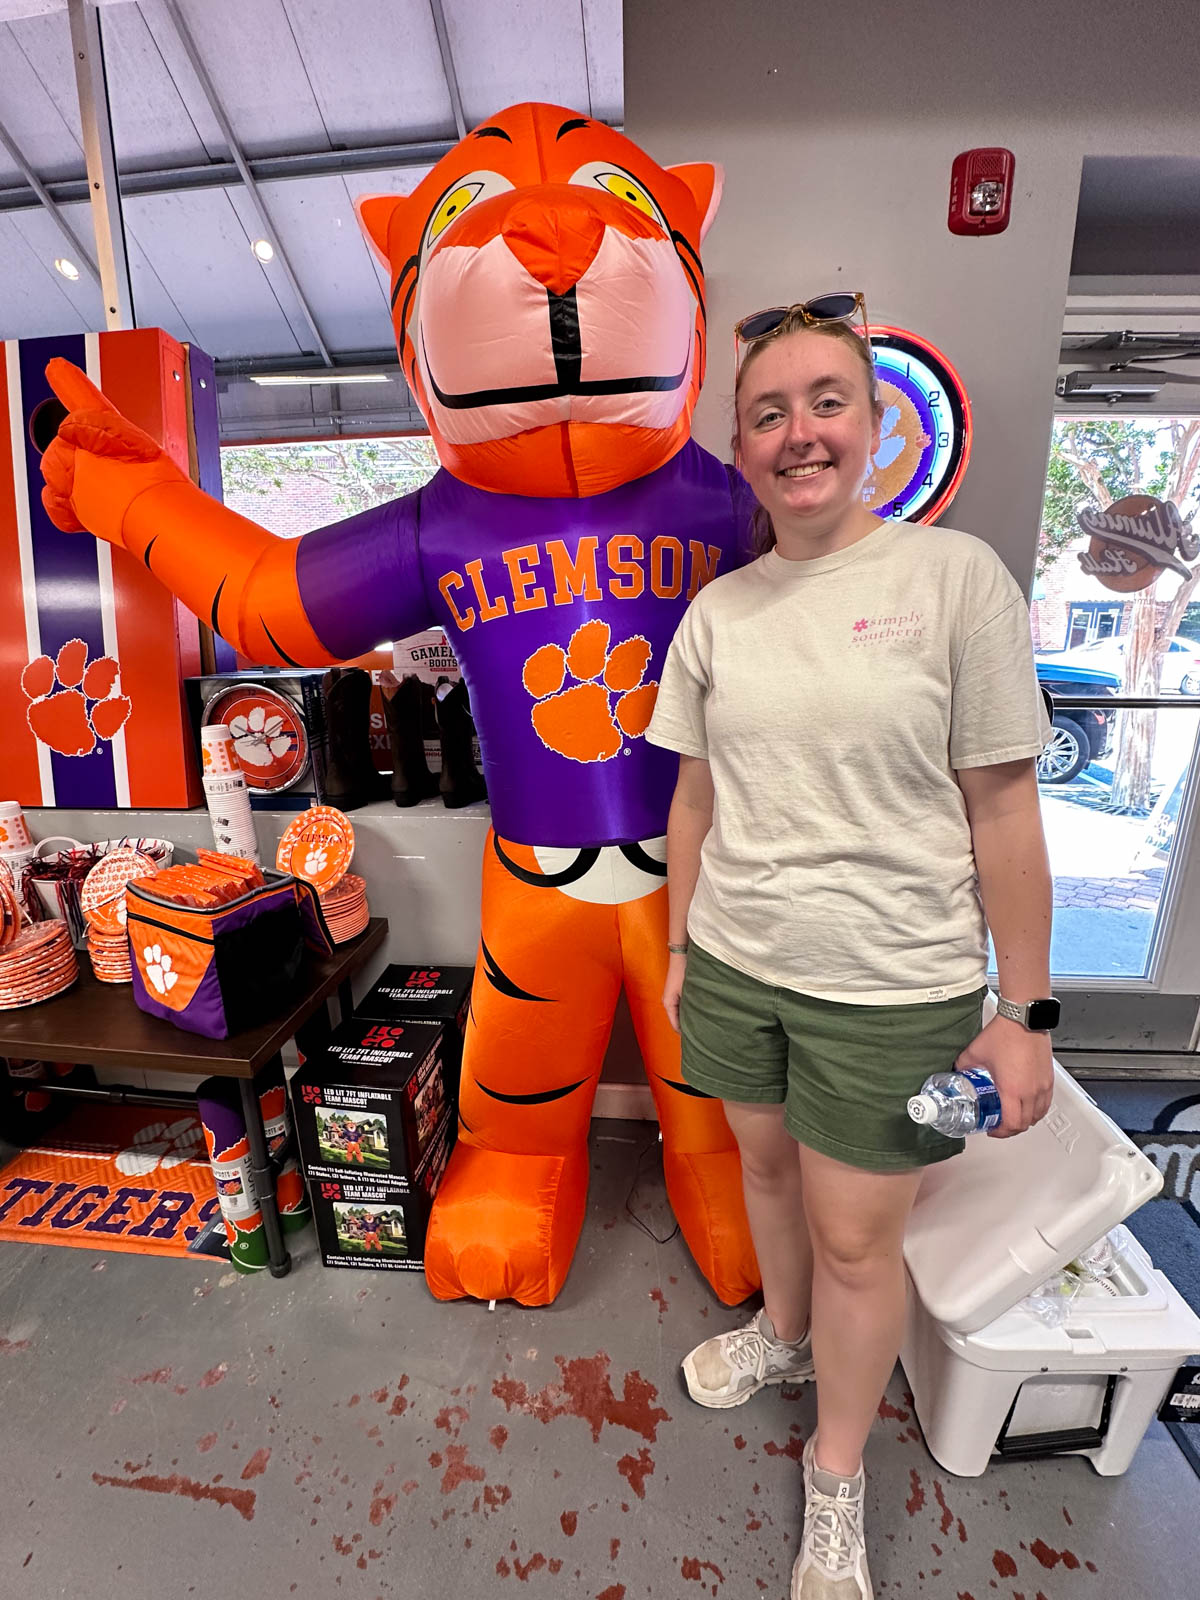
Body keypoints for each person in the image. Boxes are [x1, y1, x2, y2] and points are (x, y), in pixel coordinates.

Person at [645, 296, 1056, 1600]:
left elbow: (1004, 807)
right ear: (742, 447)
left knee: (859, 1246)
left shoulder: (952, 580)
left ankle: (836, 1478)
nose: (799, 432)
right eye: (767, 413)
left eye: (827, 402)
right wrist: (676, 946)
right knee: (763, 1174)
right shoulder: (722, 613)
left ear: (877, 429)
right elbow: (695, 797)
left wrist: (1028, 1014)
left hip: (893, 989)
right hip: (737, 962)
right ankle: (779, 1334)